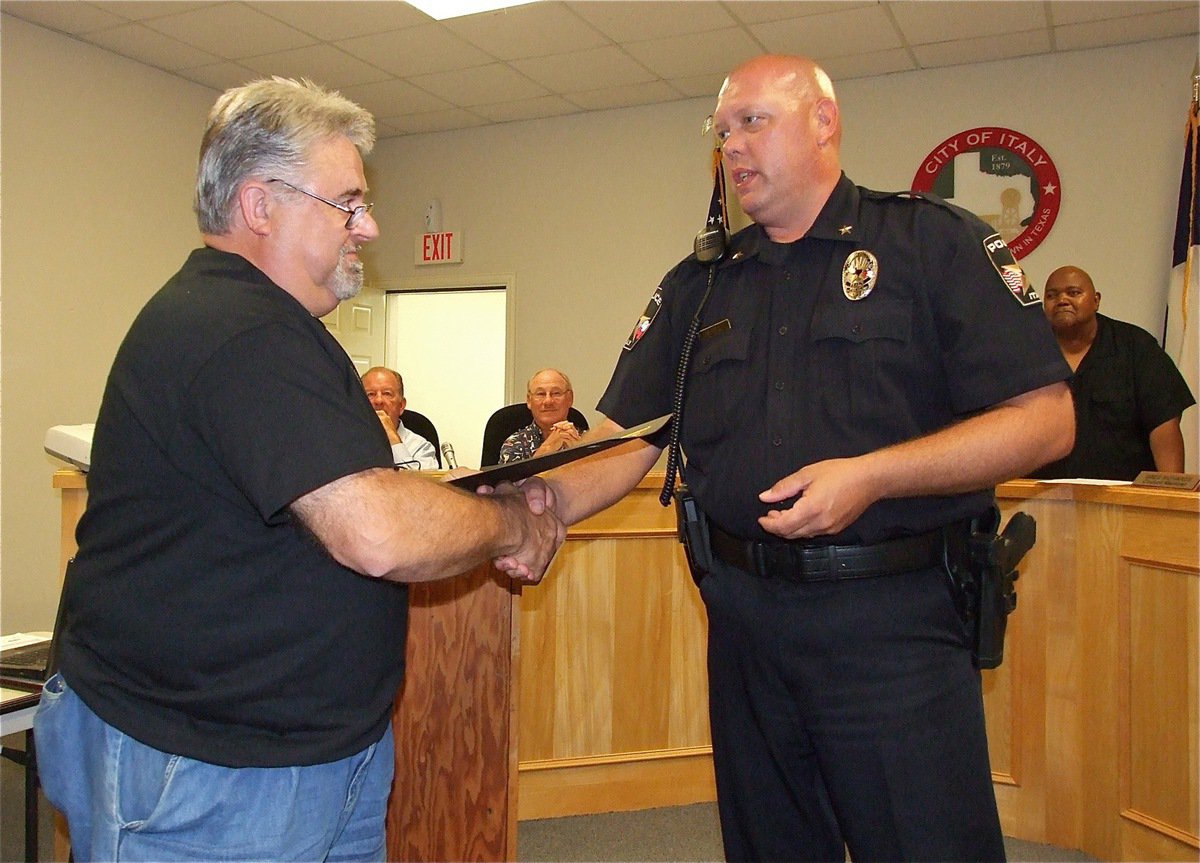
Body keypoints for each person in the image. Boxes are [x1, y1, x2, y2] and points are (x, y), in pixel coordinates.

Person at [499, 55, 1075, 862]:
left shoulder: (927, 243)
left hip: (892, 621)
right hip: (745, 626)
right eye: (722, 130)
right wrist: (533, 509)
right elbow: (624, 435)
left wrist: (873, 474)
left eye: (754, 122)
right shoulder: (703, 283)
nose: (733, 147)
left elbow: (1045, 420)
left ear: (824, 124)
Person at [33, 77, 563, 862]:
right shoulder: (235, 329)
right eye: (347, 203)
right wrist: (512, 522)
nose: (369, 224)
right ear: (260, 205)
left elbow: (351, 497)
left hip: (303, 757)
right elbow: (375, 530)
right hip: (208, 775)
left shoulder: (271, 328)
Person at [1030, 265, 1195, 480]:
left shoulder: (1136, 347)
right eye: (1052, 295)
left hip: (1123, 500)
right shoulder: (1028, 354)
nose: (1062, 300)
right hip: (1041, 498)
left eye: (1074, 293)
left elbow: (1163, 425)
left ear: (1096, 300)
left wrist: (1169, 496)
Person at [498, 368, 582, 462]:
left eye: (556, 393)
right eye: (541, 394)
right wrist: (548, 448)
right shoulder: (515, 444)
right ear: (529, 400)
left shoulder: (588, 440)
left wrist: (580, 453)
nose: (548, 401)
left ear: (570, 399)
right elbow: (513, 477)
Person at [362, 365, 439, 469]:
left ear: (401, 406)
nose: (378, 401)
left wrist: (393, 438)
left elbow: (419, 484)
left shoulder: (421, 447)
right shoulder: (347, 442)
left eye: (387, 394)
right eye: (370, 394)